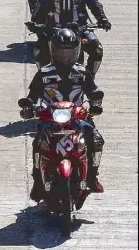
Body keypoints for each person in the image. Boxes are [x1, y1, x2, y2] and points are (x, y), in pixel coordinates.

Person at [19, 28, 105, 201]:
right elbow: (32, 96)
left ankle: (92, 176)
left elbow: (94, 92)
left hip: (79, 118)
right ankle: (37, 182)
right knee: (38, 144)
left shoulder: (82, 72)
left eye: (69, 52)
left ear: (77, 51)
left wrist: (95, 104)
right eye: (61, 52)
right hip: (49, 119)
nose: (65, 56)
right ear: (53, 51)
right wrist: (28, 106)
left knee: (96, 141)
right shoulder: (44, 73)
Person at [31, 0, 111, 76]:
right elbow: (39, 9)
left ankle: (89, 79)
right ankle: (43, 77)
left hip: (80, 29)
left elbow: (95, 5)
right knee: (39, 50)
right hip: (53, 29)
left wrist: (103, 19)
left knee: (97, 49)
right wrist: (35, 23)